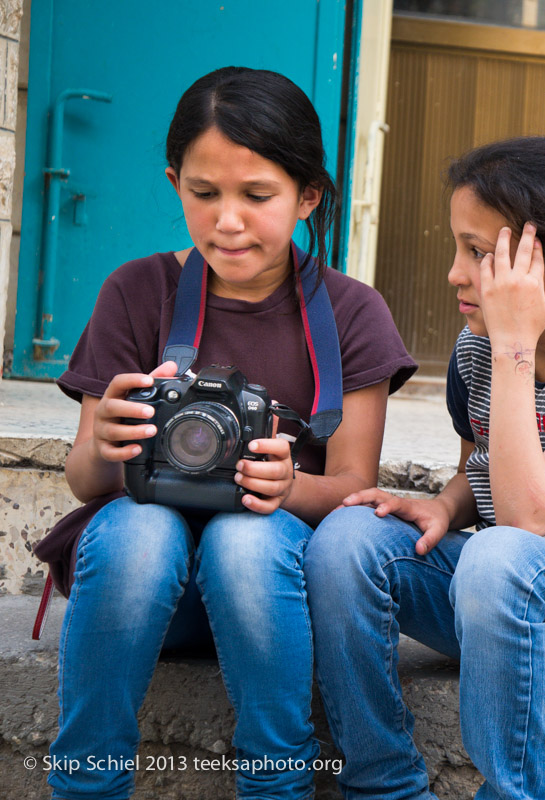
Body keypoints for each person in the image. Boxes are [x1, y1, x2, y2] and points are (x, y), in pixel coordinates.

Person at [38, 66, 417, 800]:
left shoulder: (350, 313)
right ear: (174, 180)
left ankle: (276, 785)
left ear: (308, 195)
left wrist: (286, 484)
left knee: (244, 535)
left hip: (270, 592)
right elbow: (86, 483)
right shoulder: (135, 291)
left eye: (258, 196)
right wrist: (105, 445)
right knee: (138, 529)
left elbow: (352, 490)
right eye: (202, 194)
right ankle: (84, 785)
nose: (228, 221)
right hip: (147, 588)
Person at [304, 136, 545, 800]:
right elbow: (482, 471)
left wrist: (514, 344)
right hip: (506, 594)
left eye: (480, 255)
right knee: (345, 541)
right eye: (458, 248)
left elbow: (524, 517)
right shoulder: (474, 348)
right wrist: (445, 506)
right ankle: (382, 784)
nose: (457, 274)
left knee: (498, 553)